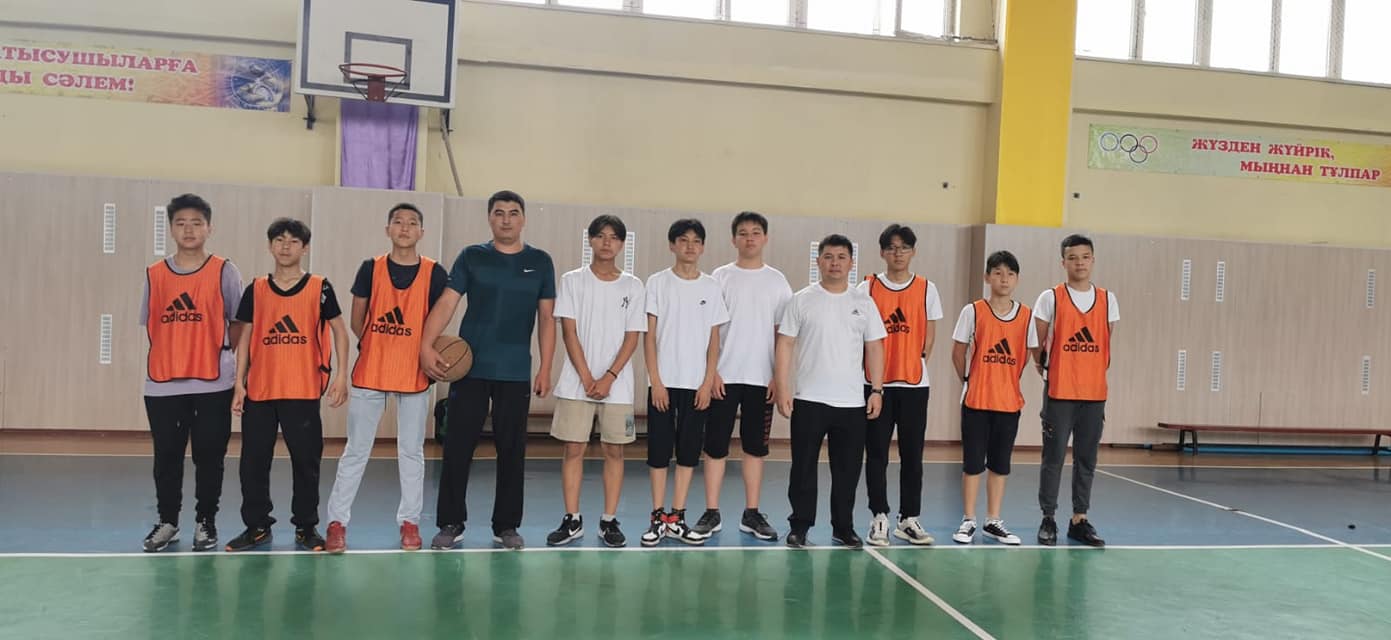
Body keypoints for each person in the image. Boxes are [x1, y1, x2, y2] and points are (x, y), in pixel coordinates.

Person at [421, 190, 556, 551]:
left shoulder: (540, 262)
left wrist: (545, 367)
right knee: (457, 447)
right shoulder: (472, 256)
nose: (506, 219)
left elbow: (546, 319)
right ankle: (451, 522)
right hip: (470, 369)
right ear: (489, 218)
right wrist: (426, 345)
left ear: (523, 219)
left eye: (513, 213)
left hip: (515, 371)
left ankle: (506, 526)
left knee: (512, 450)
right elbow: (447, 303)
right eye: (499, 213)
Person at [323, 203, 449, 553]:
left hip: (414, 374)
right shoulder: (371, 268)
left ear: (421, 232)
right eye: (398, 222)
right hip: (372, 371)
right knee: (355, 451)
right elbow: (357, 320)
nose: (405, 227)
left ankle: (410, 522)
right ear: (388, 229)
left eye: (412, 223)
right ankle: (337, 523)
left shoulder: (435, 273)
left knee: (411, 452)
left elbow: (438, 319)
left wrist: (416, 349)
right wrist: (380, 345)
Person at [227, 217, 349, 552]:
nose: (285, 246)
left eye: (293, 241)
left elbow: (340, 330)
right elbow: (246, 337)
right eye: (279, 240)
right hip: (261, 391)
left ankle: (306, 528)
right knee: (253, 462)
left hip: (302, 390)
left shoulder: (320, 287)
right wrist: (239, 383)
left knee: (306, 464)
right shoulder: (256, 289)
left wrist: (341, 374)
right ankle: (257, 526)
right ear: (270, 246)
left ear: (304, 248)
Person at [140, 193, 244, 553]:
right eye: (181, 223)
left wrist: (219, 354)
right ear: (171, 228)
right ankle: (168, 522)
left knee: (209, 456)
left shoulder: (225, 270)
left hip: (213, 383)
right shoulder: (155, 274)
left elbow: (238, 323)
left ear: (209, 228)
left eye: (196, 223)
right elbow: (151, 324)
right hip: (163, 384)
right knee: (166, 457)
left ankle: (205, 520)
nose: (188, 229)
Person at [776, 234, 886, 549]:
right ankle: (799, 526)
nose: (834, 263)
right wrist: (783, 386)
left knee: (847, 471)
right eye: (828, 256)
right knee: (803, 468)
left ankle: (843, 527)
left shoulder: (863, 302)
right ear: (818, 261)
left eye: (841, 257)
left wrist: (876, 390)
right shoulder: (801, 299)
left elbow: (875, 347)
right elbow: (785, 343)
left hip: (851, 403)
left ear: (851, 263)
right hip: (808, 399)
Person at [545, 215, 646, 548]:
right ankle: (572, 519)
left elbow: (633, 337)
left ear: (622, 244)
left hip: (618, 387)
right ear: (590, 240)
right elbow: (568, 331)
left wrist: (609, 377)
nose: (607, 242)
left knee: (614, 451)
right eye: (601, 236)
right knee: (573, 449)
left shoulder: (633, 285)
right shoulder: (572, 280)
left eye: (614, 237)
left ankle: (609, 520)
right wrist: (588, 377)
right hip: (576, 384)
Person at [695, 212, 792, 542]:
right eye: (743, 233)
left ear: (765, 238)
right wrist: (711, 373)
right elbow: (708, 330)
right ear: (733, 239)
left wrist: (778, 377)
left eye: (755, 232)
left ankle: (752, 513)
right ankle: (711, 511)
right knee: (715, 446)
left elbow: (783, 334)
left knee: (755, 447)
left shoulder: (777, 281)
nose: (749, 238)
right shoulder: (719, 278)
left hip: (761, 380)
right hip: (723, 377)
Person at [641, 218, 729, 546]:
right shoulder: (657, 283)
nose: (690, 246)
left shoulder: (711, 287)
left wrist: (707, 383)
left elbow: (714, 340)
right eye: (683, 240)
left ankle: (676, 517)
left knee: (689, 453)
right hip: (663, 384)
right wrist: (656, 381)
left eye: (696, 241)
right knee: (658, 453)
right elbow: (649, 337)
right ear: (672, 245)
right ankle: (657, 517)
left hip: (696, 387)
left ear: (702, 247)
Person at [857, 224, 941, 547]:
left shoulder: (927, 288)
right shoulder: (867, 287)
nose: (898, 253)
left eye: (904, 247)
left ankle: (909, 519)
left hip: (914, 385)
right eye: (892, 248)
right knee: (877, 453)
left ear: (913, 252)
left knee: (912, 455)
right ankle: (879, 516)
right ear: (882, 252)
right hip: (875, 384)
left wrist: (913, 361)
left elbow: (929, 336)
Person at [1033, 234, 1118, 547]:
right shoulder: (1051, 298)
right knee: (1053, 457)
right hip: (1060, 392)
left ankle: (1079, 520)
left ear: (1092, 260)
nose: (1079, 263)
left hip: (1093, 395)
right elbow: (1038, 344)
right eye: (1073, 257)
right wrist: (1048, 368)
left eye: (1085, 257)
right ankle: (1048, 518)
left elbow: (1106, 343)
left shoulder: (1108, 300)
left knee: (1086, 459)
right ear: (1063, 262)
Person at [949, 250, 1037, 545]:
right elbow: (958, 352)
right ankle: (968, 519)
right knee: (973, 463)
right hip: (976, 400)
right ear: (987, 277)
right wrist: (969, 380)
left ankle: (993, 520)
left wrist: (1006, 380)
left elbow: (1027, 355)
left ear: (1017, 279)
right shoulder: (973, 311)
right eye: (998, 273)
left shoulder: (1026, 316)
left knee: (1000, 464)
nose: (1004, 279)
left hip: (1009, 402)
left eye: (1010, 274)